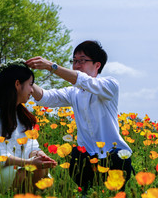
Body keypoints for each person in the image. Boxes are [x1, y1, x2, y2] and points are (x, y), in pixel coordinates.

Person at [26, 40, 133, 193]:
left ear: (97, 65)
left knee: (114, 189)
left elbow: (84, 81)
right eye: (74, 61)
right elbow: (45, 97)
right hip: (87, 158)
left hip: (114, 157)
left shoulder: (110, 85)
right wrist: (25, 77)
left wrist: (52, 67)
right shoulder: (73, 92)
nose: (76, 65)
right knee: (76, 156)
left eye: (82, 60)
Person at [0, 59, 57, 193]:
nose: (32, 90)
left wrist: (40, 155)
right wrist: (28, 163)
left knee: (41, 169)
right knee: (23, 173)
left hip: (18, 168)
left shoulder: (23, 115)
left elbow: (31, 147)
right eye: (30, 84)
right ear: (17, 84)